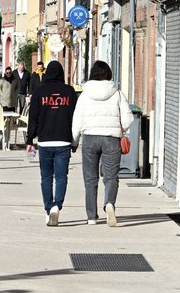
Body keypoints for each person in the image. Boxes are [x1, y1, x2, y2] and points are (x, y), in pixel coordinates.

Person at [71, 60, 134, 226]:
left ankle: (91, 216)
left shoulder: (84, 95)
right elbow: (128, 119)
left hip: (90, 138)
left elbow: (77, 121)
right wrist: (121, 129)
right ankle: (109, 204)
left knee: (90, 179)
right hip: (112, 139)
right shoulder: (117, 93)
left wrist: (74, 141)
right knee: (111, 176)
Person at [25, 60, 78, 227]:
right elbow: (75, 119)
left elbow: (33, 118)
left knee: (46, 177)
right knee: (61, 177)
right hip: (63, 140)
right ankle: (57, 205)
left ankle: (49, 209)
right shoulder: (69, 92)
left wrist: (29, 140)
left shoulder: (40, 92)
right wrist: (75, 140)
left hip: (45, 141)